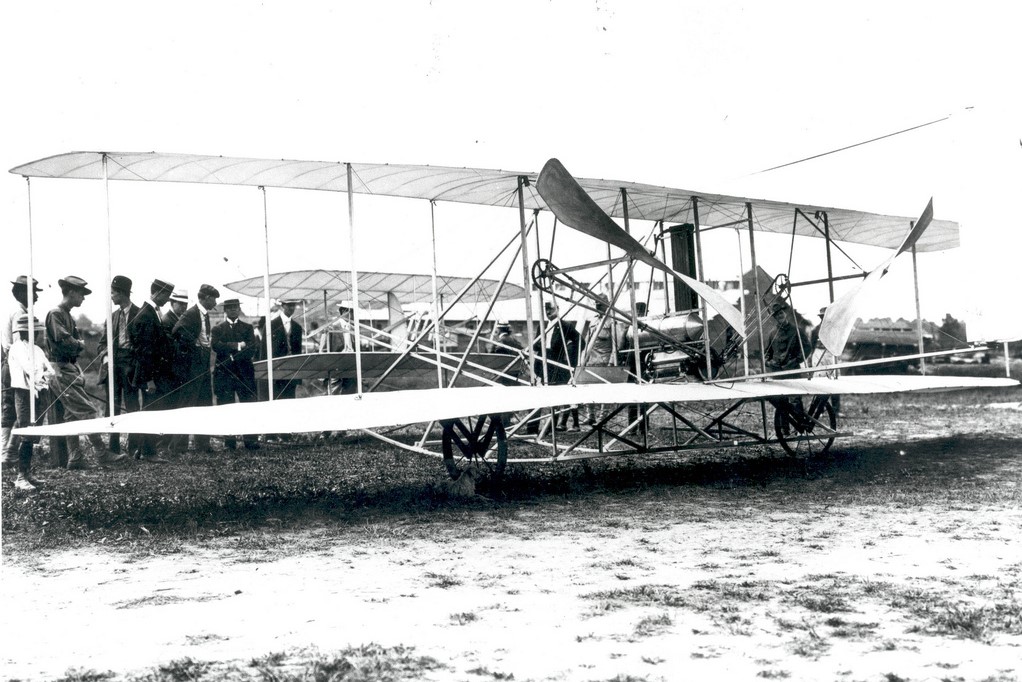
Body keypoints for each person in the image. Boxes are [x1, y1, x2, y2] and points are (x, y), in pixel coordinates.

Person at [45, 276, 126, 469]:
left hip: (69, 368)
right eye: (81, 294)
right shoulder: (55, 314)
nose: (83, 298)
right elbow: (66, 342)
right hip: (61, 368)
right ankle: (101, 452)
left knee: (71, 415)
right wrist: (79, 344)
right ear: (71, 292)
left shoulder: (67, 315)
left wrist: (77, 344)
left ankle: (75, 458)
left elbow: (74, 342)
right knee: (87, 410)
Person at [129, 278, 175, 460]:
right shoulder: (146, 315)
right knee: (152, 410)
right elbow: (144, 351)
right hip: (151, 375)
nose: (167, 299)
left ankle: (143, 449)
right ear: (158, 293)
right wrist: (149, 379)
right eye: (166, 295)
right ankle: (149, 451)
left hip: (154, 373)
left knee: (150, 409)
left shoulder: (151, 312)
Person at [7, 314, 54, 490]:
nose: (38, 335)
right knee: (26, 432)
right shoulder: (17, 348)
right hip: (24, 393)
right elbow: (30, 369)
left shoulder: (38, 350)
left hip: (39, 393)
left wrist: (43, 376)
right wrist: (40, 375)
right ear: (25, 331)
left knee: (34, 434)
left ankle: (28, 473)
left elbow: (49, 370)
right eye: (35, 331)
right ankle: (20, 477)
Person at [172, 283, 219, 453]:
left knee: (204, 403)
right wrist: (193, 348)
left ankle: (203, 444)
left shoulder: (204, 314)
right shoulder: (191, 313)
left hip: (204, 365)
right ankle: (179, 446)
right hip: (193, 367)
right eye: (214, 298)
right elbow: (177, 331)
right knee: (186, 404)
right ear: (206, 298)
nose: (215, 302)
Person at [97, 275, 141, 456]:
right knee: (112, 406)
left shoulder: (140, 314)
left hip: (132, 364)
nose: (111, 297)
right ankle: (113, 448)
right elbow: (101, 344)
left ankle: (134, 447)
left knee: (132, 405)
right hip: (114, 365)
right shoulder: (112, 317)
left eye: (113, 293)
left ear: (123, 293)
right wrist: (106, 357)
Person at [211, 299, 260, 450]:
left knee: (248, 406)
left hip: (244, 373)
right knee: (226, 406)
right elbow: (216, 346)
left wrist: (231, 353)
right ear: (225, 310)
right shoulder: (218, 329)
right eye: (230, 308)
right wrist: (238, 345)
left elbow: (251, 349)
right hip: (225, 374)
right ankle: (229, 441)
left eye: (235, 307)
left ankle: (251, 440)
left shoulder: (247, 328)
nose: (233, 310)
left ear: (239, 309)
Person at [2, 276, 40, 467]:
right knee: (16, 410)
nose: (36, 298)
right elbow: (20, 344)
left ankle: (7, 453)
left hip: (11, 363)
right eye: (33, 293)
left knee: (12, 410)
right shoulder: (19, 313)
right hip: (16, 365)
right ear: (23, 293)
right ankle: (7, 454)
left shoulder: (15, 310)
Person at [535, 302, 581, 430]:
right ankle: (535, 426)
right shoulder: (542, 326)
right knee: (544, 393)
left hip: (558, 363)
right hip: (545, 361)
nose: (548, 312)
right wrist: (542, 346)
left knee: (557, 393)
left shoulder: (565, 326)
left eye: (551, 309)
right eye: (546, 309)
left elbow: (580, 342)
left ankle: (553, 426)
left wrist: (570, 357)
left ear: (558, 309)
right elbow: (535, 344)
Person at [269, 298, 303, 400]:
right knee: (277, 399)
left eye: (293, 305)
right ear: (282, 306)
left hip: (291, 370)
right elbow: (265, 351)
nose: (291, 308)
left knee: (290, 399)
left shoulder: (297, 327)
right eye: (289, 305)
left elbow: (298, 352)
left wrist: (298, 377)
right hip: (276, 370)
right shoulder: (271, 325)